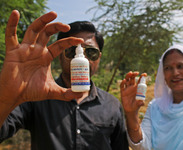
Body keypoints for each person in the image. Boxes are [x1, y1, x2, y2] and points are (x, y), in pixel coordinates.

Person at [0, 10, 129, 150]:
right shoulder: (35, 97)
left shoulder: (112, 105)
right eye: (71, 51)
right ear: (60, 54)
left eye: (91, 52)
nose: (83, 58)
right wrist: (5, 99)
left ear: (99, 57)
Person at [120, 44, 183, 150]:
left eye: (181, 66)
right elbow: (142, 146)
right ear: (163, 75)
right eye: (168, 68)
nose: (175, 73)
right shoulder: (156, 107)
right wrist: (131, 114)